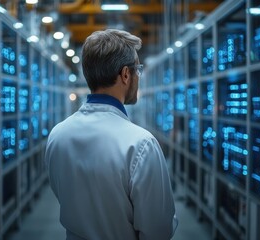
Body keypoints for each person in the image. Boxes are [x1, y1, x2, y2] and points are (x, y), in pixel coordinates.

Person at [45, 29, 178, 240]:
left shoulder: (58, 135)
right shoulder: (141, 144)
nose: (138, 76)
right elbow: (158, 231)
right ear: (125, 74)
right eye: (138, 69)